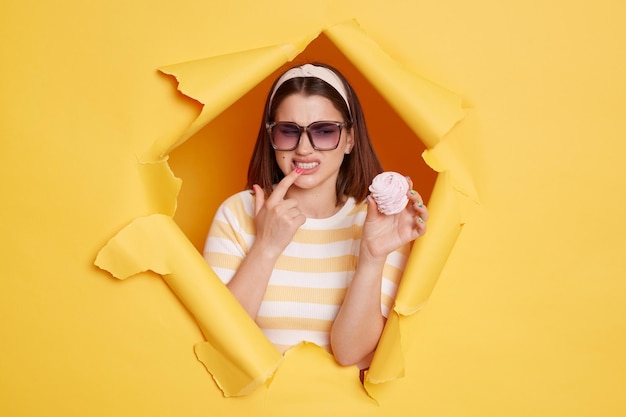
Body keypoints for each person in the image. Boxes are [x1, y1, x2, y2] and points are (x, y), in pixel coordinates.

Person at [203, 63, 428, 370]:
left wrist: (372, 256)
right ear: (271, 137)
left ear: (349, 139)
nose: (304, 148)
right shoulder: (237, 213)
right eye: (288, 131)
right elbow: (220, 338)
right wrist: (267, 247)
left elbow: (352, 355)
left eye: (324, 131)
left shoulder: (380, 224)